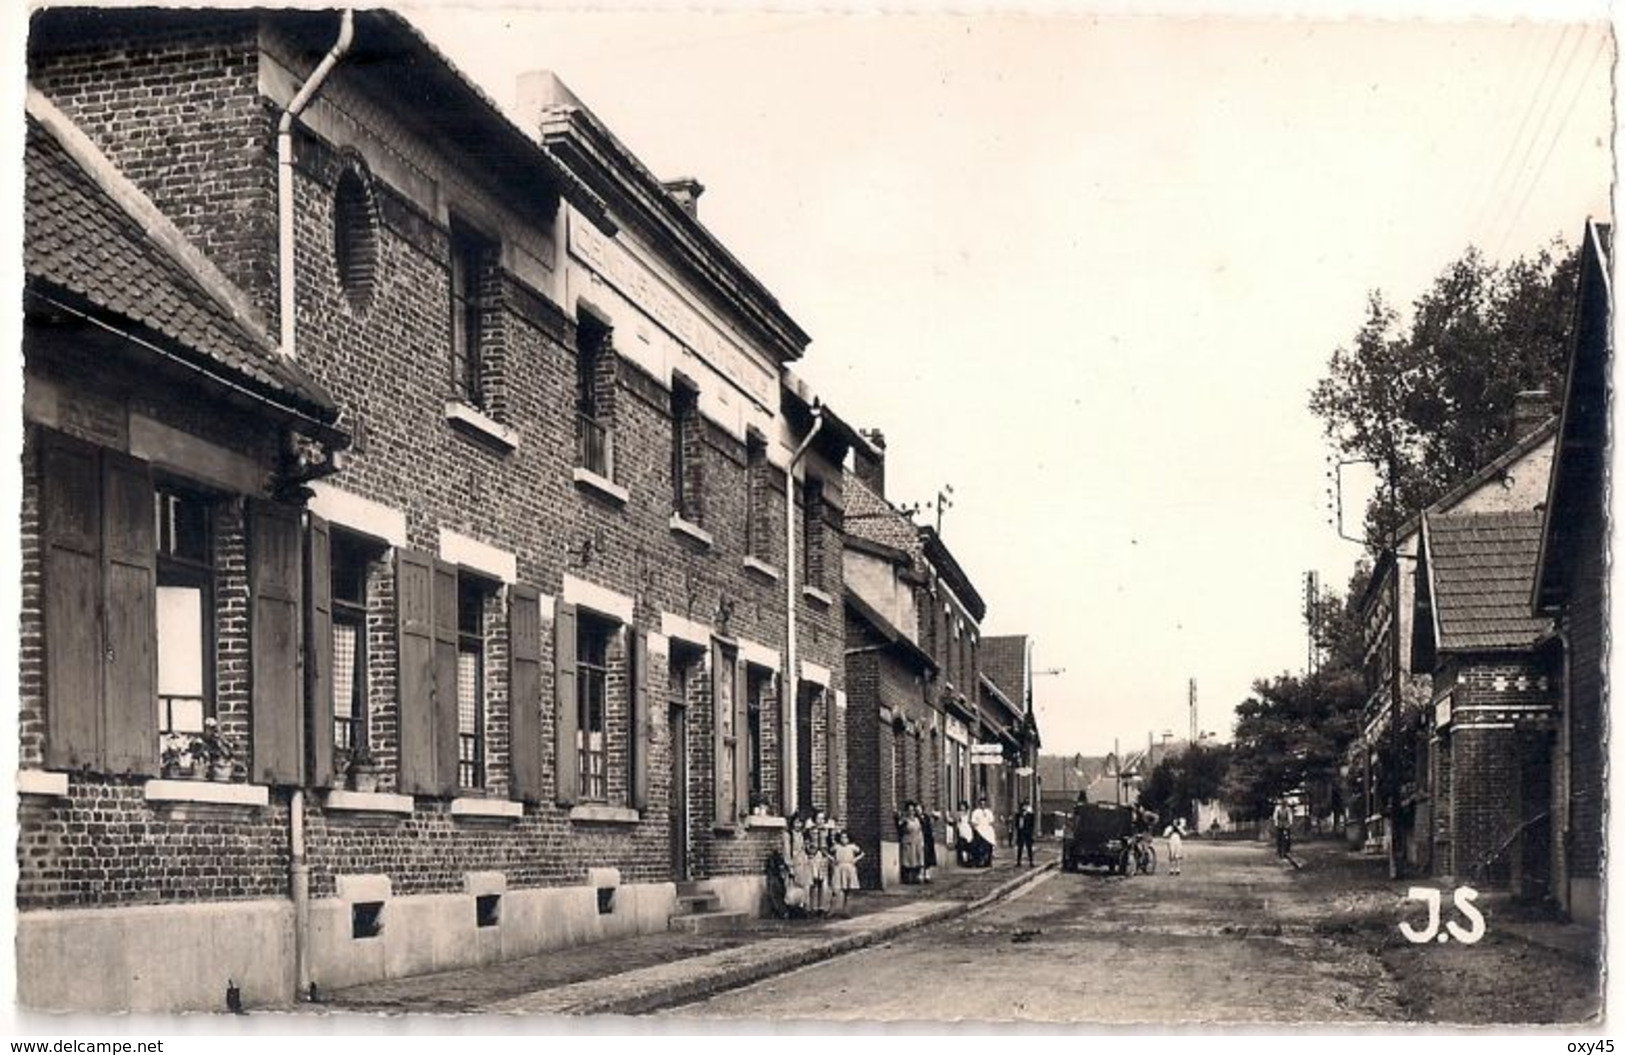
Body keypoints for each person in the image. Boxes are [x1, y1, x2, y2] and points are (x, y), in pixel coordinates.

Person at [831, 830, 865, 914]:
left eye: (846, 837)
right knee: (836, 889)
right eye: (842, 837)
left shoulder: (852, 847)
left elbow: (862, 853)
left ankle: (846, 910)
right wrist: (833, 860)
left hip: (849, 867)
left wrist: (855, 860)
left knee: (848, 891)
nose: (844, 839)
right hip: (839, 868)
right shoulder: (837, 847)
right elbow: (828, 852)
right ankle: (832, 910)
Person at [897, 801, 926, 884]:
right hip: (908, 841)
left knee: (918, 859)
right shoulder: (905, 820)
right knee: (909, 860)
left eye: (913, 810)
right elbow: (901, 829)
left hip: (917, 841)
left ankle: (917, 877)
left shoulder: (917, 819)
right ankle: (908, 878)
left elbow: (921, 830)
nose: (911, 812)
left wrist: (922, 841)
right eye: (909, 810)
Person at [970, 796, 997, 867]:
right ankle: (978, 861)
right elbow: (973, 822)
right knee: (978, 846)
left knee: (989, 845)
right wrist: (976, 828)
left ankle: (988, 861)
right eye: (981, 804)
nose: (983, 805)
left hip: (987, 831)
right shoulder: (976, 812)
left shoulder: (988, 812)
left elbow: (991, 822)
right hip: (979, 831)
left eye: (984, 804)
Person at [1014, 800, 1037, 867]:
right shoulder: (1018, 815)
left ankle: (1031, 862)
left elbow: (1032, 825)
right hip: (1021, 833)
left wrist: (1032, 834)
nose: (1024, 807)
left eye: (1026, 806)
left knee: (1029, 848)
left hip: (1028, 834)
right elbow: (1016, 824)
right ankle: (1018, 862)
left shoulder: (1030, 815)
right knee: (1020, 848)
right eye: (1023, 806)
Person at [919, 807, 938, 883]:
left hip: (927, 839)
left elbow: (929, 827)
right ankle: (920, 875)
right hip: (920, 839)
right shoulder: (916, 818)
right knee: (921, 857)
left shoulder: (926, 817)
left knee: (927, 857)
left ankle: (927, 874)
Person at [954, 801, 974, 867]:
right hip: (962, 829)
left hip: (967, 830)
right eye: (961, 806)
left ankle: (969, 860)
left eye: (963, 806)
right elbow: (957, 822)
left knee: (969, 845)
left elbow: (970, 822)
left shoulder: (968, 814)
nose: (962, 808)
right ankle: (964, 861)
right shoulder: (959, 814)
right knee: (963, 845)